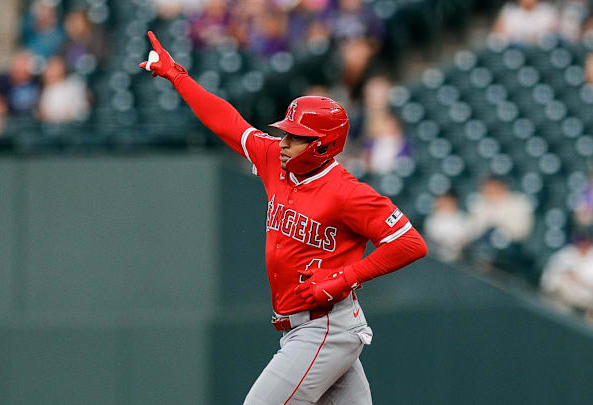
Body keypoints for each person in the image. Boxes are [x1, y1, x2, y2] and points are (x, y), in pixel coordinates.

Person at [139, 31, 427, 404]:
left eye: (296, 137)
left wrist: (345, 276)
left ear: (323, 145)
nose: (284, 142)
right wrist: (178, 75)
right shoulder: (276, 159)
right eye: (285, 133)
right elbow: (228, 122)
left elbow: (410, 243)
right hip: (307, 328)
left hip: (325, 326)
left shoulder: (347, 192)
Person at [540, 227, 593, 322]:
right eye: (580, 239)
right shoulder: (567, 253)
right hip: (561, 304)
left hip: (589, 310)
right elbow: (548, 281)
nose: (582, 243)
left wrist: (584, 281)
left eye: (585, 240)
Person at [423, 192, 470, 262]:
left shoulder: (462, 218)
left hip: (455, 259)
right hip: (433, 255)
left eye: (447, 201)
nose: (444, 204)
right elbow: (432, 234)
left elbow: (461, 239)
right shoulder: (433, 218)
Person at [493, 0, 559, 45]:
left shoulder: (547, 11)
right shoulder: (510, 11)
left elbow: (553, 35)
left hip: (541, 53)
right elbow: (498, 34)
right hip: (515, 53)